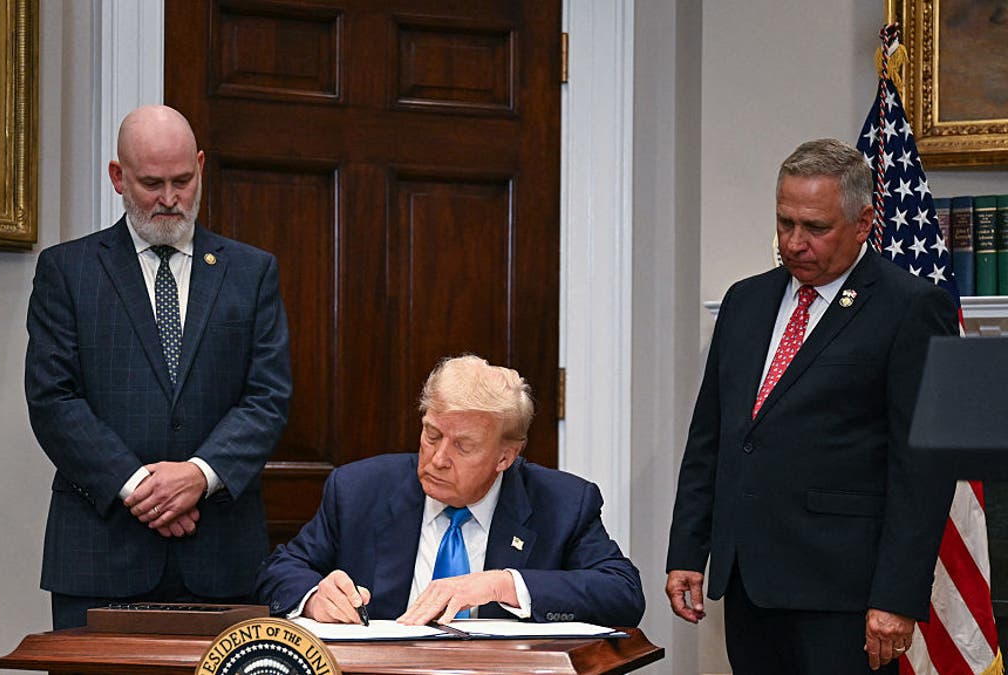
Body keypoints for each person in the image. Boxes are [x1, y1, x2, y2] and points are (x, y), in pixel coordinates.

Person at [665, 139, 959, 673]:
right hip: (748, 583)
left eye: (815, 228)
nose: (794, 243)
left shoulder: (910, 308)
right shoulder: (745, 301)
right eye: (784, 223)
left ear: (864, 221)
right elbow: (713, 436)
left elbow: (923, 471)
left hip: (843, 594)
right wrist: (689, 550)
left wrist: (896, 596)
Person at [25, 105, 292, 629]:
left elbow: (268, 396)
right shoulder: (68, 271)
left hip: (223, 557)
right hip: (100, 556)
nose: (170, 200)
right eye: (151, 183)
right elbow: (53, 399)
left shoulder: (251, 272)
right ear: (118, 178)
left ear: (200, 166)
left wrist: (199, 475)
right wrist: (139, 487)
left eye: (182, 180)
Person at [255, 355, 644, 627]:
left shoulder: (561, 503)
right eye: (432, 434)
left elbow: (623, 593)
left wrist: (501, 583)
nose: (438, 458)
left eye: (464, 446)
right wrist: (313, 598)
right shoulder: (359, 489)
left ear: (505, 457)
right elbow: (279, 572)